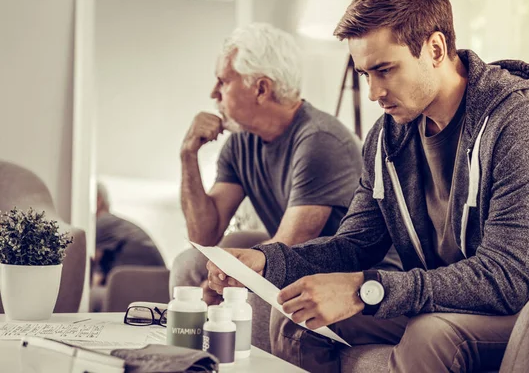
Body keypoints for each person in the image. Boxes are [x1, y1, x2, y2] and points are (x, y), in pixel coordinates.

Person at [206, 0, 529, 372]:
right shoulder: (388, 137)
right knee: (299, 317)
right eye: (365, 75)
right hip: (454, 293)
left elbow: (505, 277)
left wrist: (365, 289)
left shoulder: (524, 124)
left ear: (435, 48)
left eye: (385, 70)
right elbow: (356, 244)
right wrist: (265, 261)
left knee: (431, 334)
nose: (374, 93)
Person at [170, 22, 402, 304]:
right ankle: (192, 348)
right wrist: (187, 155)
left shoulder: (320, 140)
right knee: (190, 263)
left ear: (261, 89)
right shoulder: (240, 143)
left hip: (352, 276)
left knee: (258, 284)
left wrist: (231, 277)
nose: (213, 93)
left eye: (223, 81)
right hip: (294, 261)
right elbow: (203, 235)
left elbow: (290, 246)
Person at [91, 182, 165, 311]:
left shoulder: (103, 222)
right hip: (159, 285)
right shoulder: (116, 224)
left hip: (136, 283)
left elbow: (89, 266)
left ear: (97, 200)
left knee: (90, 298)